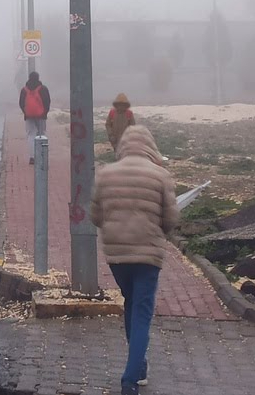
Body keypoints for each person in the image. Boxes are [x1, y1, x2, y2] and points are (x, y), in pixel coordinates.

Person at [91, 125, 180, 395]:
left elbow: (96, 216)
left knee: (131, 304)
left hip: (117, 256)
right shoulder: (161, 176)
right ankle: (130, 379)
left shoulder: (105, 174)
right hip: (148, 255)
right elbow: (171, 219)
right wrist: (155, 231)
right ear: (149, 145)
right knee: (142, 312)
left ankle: (139, 367)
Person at [18, 71, 51, 147]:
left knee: (31, 135)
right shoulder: (43, 89)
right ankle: (41, 156)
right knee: (41, 134)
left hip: (29, 116)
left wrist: (26, 112)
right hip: (41, 116)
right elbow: (47, 101)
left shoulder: (24, 90)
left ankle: (32, 156)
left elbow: (21, 103)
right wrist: (45, 113)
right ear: (38, 78)